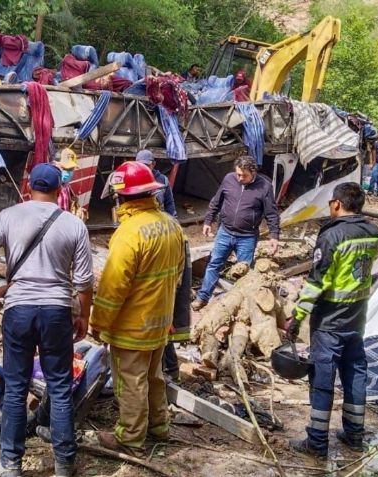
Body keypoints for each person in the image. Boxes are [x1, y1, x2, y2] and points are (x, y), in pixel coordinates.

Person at [0, 163, 94, 477]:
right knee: (60, 387)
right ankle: (64, 464)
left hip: (18, 310)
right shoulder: (73, 225)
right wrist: (84, 318)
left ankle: (11, 465)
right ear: (60, 191)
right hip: (56, 311)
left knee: (17, 386)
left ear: (29, 187)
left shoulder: (9, 216)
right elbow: (85, 283)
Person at [90, 161, 185, 457]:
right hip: (159, 322)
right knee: (155, 377)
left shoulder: (129, 233)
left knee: (131, 383)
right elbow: (179, 274)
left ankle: (130, 438)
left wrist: (99, 322)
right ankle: (159, 427)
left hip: (132, 326)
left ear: (122, 197)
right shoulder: (171, 225)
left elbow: (112, 287)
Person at [285, 182, 378, 459]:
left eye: (330, 203)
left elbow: (317, 282)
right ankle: (354, 435)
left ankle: (316, 442)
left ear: (337, 204)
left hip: (330, 320)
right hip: (357, 317)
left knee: (322, 379)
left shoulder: (332, 236)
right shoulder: (373, 232)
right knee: (355, 375)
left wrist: (297, 316)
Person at [192, 155, 280, 311]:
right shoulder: (229, 179)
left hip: (247, 237)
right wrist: (208, 221)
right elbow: (216, 201)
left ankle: (243, 306)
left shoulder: (264, 186)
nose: (240, 178)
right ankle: (202, 298)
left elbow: (271, 213)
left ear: (253, 172)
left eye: (244, 175)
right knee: (213, 265)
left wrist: (274, 235)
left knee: (245, 272)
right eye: (238, 174)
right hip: (224, 232)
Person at [134, 150, 191, 379]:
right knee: (162, 324)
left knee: (161, 326)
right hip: (163, 290)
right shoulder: (166, 234)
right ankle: (168, 369)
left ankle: (167, 368)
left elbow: (170, 208)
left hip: (157, 293)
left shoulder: (162, 182)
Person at [135, 149, 176, 217]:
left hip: (158, 218)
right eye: (140, 165)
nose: (144, 168)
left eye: (147, 165)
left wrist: (173, 219)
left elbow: (169, 203)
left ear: (153, 164)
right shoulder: (132, 179)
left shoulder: (163, 180)